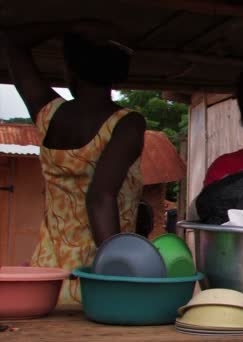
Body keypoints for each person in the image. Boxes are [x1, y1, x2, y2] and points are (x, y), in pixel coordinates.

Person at [0, 21, 145, 304]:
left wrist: (64, 24)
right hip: (96, 277)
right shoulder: (127, 124)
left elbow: (13, 43)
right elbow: (100, 197)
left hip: (48, 280)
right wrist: (112, 276)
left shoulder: (48, 113)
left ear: (71, 69)